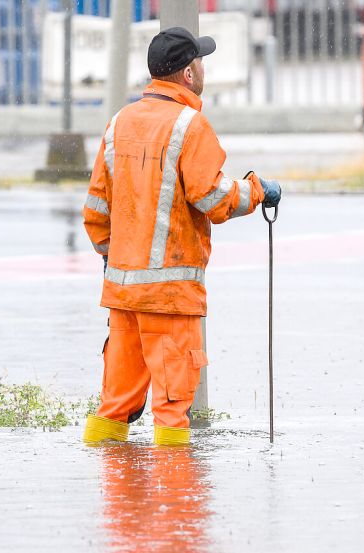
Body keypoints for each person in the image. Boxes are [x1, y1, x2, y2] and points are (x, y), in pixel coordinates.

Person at [82, 26, 282, 447]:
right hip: (170, 298)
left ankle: (117, 508)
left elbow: (96, 210)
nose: (203, 68)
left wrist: (113, 258)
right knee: (172, 408)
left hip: (122, 297)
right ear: (188, 74)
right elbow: (212, 196)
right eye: (200, 61)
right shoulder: (190, 126)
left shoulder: (119, 123)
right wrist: (258, 189)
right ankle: (177, 509)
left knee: (114, 404)